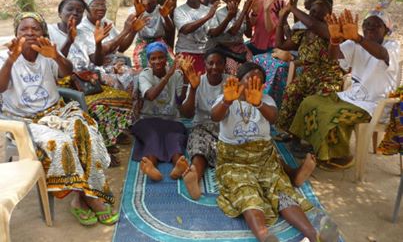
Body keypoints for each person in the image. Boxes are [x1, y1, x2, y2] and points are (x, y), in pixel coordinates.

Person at [0, 12, 119, 226]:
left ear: (43, 33)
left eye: (35, 29)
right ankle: (90, 197)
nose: (29, 33)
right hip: (24, 120)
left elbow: (67, 72)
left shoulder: (47, 52)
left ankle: (79, 198)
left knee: (88, 131)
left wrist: (55, 56)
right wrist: (11, 59)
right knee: (61, 143)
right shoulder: (4, 56)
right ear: (16, 33)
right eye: (23, 29)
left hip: (56, 112)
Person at [210, 62, 330, 242]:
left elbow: (273, 118)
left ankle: (314, 235)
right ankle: (265, 236)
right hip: (233, 161)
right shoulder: (226, 97)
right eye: (249, 80)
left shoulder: (266, 101)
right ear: (239, 81)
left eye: (258, 82)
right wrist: (227, 101)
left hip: (263, 158)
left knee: (281, 190)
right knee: (245, 191)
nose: (253, 85)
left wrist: (258, 103)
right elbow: (215, 116)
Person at [290, 7, 399, 170]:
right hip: (352, 96)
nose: (369, 28)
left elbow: (382, 54)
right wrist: (334, 40)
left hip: (375, 105)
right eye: (367, 24)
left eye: (376, 25)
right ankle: (317, 147)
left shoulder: (393, 46)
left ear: (386, 30)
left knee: (332, 114)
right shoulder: (356, 42)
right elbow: (334, 57)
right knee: (311, 102)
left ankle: (340, 157)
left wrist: (358, 38)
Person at [49, 0, 136, 166]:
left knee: (123, 97)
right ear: (60, 12)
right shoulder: (50, 31)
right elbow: (56, 66)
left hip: (87, 80)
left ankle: (110, 137)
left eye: (79, 11)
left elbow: (95, 60)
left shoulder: (82, 33)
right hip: (64, 84)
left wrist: (97, 43)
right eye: (70, 9)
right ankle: (102, 149)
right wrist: (69, 40)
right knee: (98, 106)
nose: (75, 13)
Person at [275, 0, 344, 134]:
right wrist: (282, 18)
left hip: (328, 77)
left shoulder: (331, 30)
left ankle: (309, 137)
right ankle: (289, 133)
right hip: (307, 76)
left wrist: (292, 8)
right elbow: (280, 44)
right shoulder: (304, 32)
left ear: (328, 16)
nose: (313, 15)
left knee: (315, 100)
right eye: (312, 11)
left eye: (319, 13)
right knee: (291, 91)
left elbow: (312, 23)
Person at [131, 42, 189, 181]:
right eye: (153, 58)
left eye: (161, 57)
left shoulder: (176, 75)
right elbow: (150, 96)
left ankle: (179, 165)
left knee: (174, 139)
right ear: (149, 61)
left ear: (166, 59)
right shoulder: (145, 75)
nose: (157, 61)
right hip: (147, 119)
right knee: (153, 138)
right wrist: (167, 76)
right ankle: (151, 166)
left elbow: (181, 101)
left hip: (171, 119)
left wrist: (186, 77)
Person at [179, 48, 227, 199]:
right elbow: (187, 114)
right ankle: (194, 176)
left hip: (224, 128)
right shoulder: (198, 80)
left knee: (226, 154)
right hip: (201, 126)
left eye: (219, 63)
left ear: (225, 65)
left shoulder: (230, 82)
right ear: (204, 64)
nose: (214, 67)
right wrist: (193, 89)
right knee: (199, 150)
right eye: (210, 63)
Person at [247, 0, 292, 108]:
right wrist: (254, 12)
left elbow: (270, 29)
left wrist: (267, 11)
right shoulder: (258, 0)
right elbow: (251, 25)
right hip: (255, 44)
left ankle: (265, 102)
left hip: (271, 47)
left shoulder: (281, 4)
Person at [207, 0, 254, 74]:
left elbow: (248, 35)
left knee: (251, 69)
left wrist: (247, 15)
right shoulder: (220, 13)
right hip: (225, 50)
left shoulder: (241, 13)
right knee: (233, 71)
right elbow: (233, 31)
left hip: (241, 48)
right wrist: (244, 11)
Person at [174, 0, 219, 73]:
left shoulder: (207, 10)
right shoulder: (179, 10)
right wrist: (207, 17)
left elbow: (213, 32)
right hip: (186, 50)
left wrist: (228, 17)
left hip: (206, 52)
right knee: (187, 82)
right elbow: (185, 29)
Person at [131, 0, 176, 72]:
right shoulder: (136, 9)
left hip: (158, 41)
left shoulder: (161, 10)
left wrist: (166, 16)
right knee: (143, 66)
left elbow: (170, 29)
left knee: (171, 64)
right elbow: (130, 28)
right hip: (142, 42)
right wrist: (137, 14)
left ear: (157, 0)